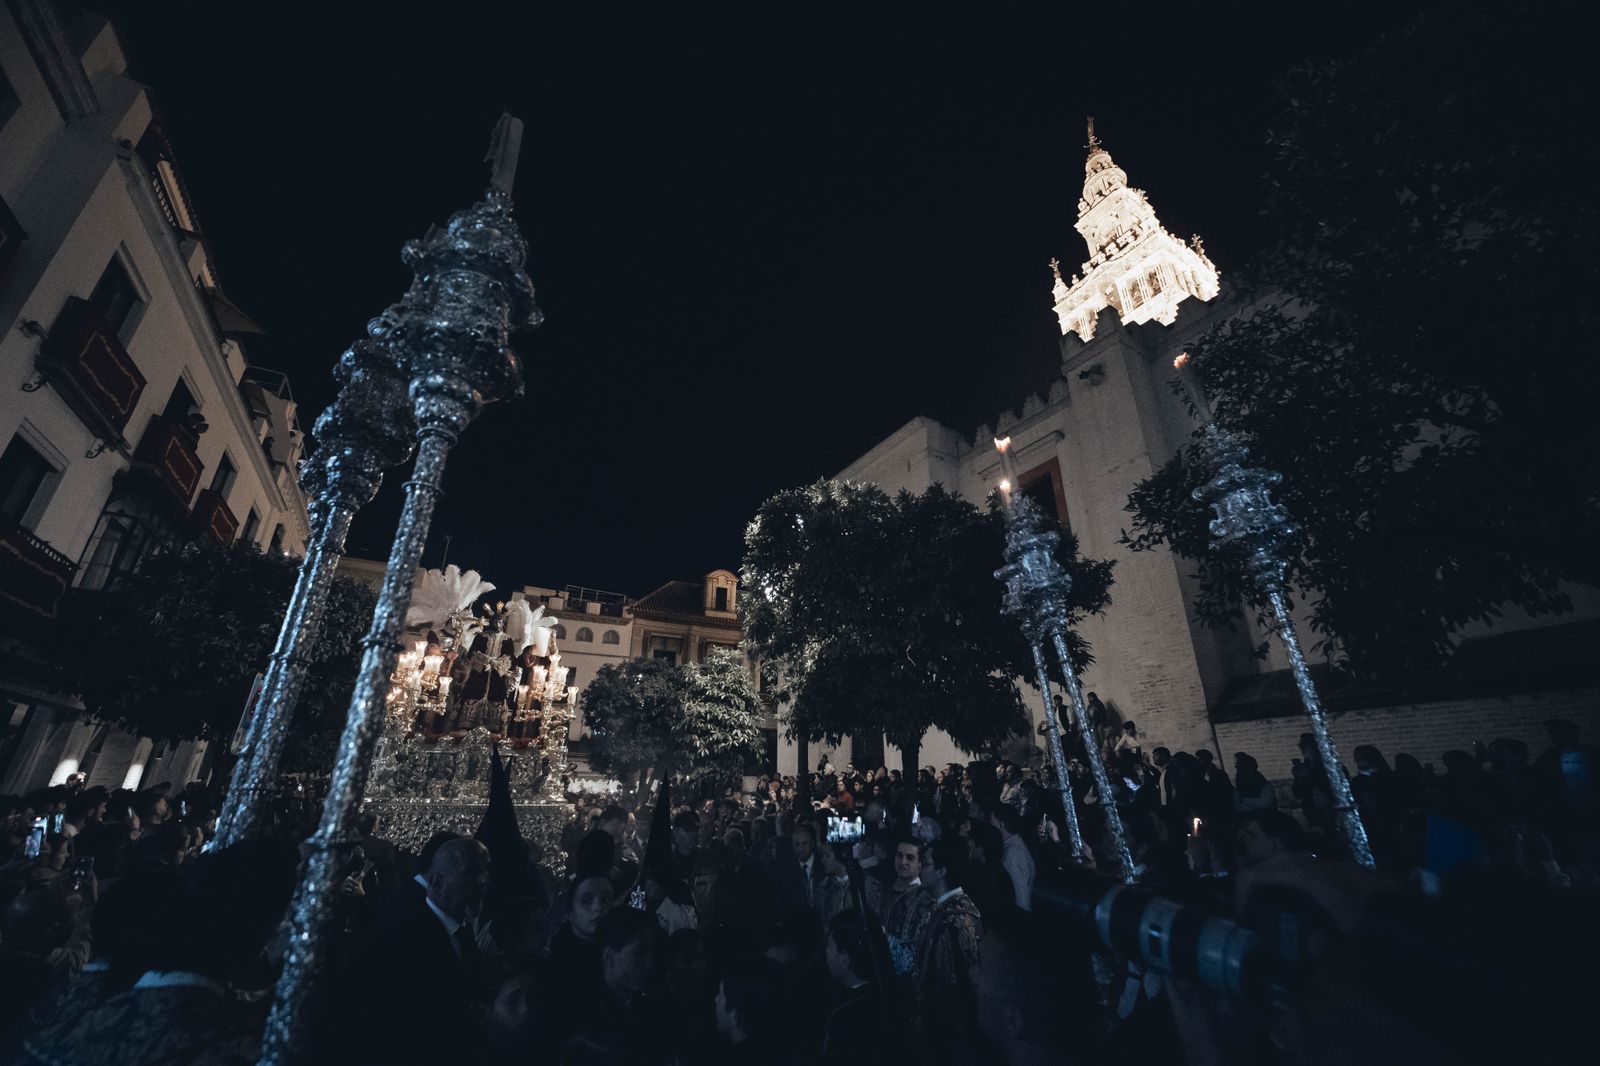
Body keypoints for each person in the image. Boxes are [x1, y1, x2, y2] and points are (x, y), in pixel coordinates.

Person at [341, 838, 492, 1063]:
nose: (483, 881)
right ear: (436, 881)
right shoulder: (401, 936)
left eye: (485, 871)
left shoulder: (460, 931)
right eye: (471, 872)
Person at [915, 838, 982, 1044]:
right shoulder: (954, 907)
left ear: (941, 871)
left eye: (926, 863)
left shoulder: (953, 920)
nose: (920, 869)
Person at [821, 911, 887, 1054]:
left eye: (830, 947)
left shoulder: (843, 1018)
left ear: (845, 958)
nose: (826, 952)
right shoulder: (884, 996)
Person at [989, 804, 1035, 912]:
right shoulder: (1015, 845)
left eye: (992, 821)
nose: (989, 824)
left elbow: (1022, 897)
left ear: (1001, 825)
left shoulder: (1012, 855)